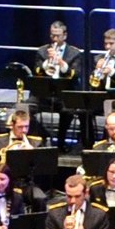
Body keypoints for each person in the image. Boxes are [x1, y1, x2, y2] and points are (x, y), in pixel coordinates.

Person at [34, 20, 86, 149]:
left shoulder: (75, 53)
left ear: (65, 36)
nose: (55, 39)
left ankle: (61, 142)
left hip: (64, 95)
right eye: (52, 35)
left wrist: (61, 63)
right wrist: (47, 63)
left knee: (67, 112)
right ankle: (43, 135)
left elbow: (75, 75)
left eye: (58, 36)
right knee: (23, 107)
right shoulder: (42, 51)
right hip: (44, 94)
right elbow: (37, 71)